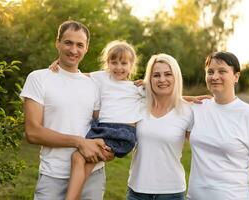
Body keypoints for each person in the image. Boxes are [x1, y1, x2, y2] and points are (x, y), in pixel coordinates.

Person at [20, 20, 113, 200]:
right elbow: (32, 132)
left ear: (87, 48)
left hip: (91, 173)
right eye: (68, 43)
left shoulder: (94, 84)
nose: (73, 50)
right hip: (53, 176)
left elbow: (107, 122)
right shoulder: (39, 78)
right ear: (58, 43)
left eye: (80, 45)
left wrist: (108, 149)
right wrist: (79, 142)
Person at [49, 40, 144, 200]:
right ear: (107, 63)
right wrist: (59, 64)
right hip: (101, 129)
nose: (119, 67)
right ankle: (75, 196)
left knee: (78, 158)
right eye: (114, 63)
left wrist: (196, 98)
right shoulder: (101, 77)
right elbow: (76, 75)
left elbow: (169, 96)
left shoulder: (137, 87)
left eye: (124, 63)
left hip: (121, 133)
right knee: (83, 160)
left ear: (131, 65)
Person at [187, 51, 249, 200]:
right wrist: (185, 97)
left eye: (222, 71)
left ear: (236, 77)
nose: (214, 77)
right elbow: (163, 101)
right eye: (210, 72)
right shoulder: (197, 108)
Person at [126, 53, 193, 200]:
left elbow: (202, 148)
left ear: (176, 77)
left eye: (168, 74)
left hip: (171, 192)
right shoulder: (138, 105)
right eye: (156, 75)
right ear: (149, 79)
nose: (162, 79)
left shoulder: (188, 111)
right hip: (137, 191)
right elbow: (108, 83)